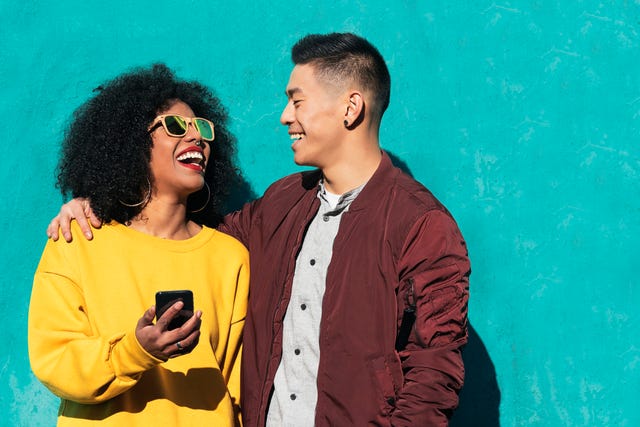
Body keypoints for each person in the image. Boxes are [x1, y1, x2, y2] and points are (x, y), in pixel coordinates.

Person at [48, 33, 470, 426]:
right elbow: (185, 237)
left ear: (350, 107)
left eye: (297, 101)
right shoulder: (281, 203)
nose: (286, 117)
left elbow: (435, 370)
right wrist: (99, 201)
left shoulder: (422, 225)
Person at [30, 64, 249, 426]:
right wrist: (136, 351)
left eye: (203, 129)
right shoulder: (78, 240)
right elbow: (54, 361)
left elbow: (238, 387)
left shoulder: (230, 258)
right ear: (129, 141)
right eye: (175, 126)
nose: (197, 138)